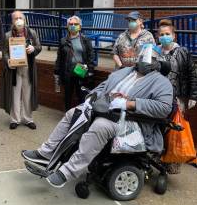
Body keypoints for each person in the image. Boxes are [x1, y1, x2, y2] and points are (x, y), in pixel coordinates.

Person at [22, 44, 173, 188]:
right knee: (72, 113)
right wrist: (92, 98)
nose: (144, 61)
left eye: (149, 59)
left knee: (100, 126)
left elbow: (164, 108)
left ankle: (67, 171)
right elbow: (102, 87)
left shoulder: (161, 82)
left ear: (157, 62)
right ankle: (46, 153)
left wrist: (129, 104)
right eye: (141, 57)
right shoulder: (125, 71)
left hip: (130, 121)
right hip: (105, 109)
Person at [158, 19, 197, 173]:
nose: (164, 36)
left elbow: (192, 75)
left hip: (177, 98)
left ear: (174, 36)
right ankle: (158, 157)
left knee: (174, 130)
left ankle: (172, 163)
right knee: (158, 127)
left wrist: (193, 96)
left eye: (167, 34)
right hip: (159, 98)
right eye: (161, 34)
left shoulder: (183, 52)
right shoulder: (155, 51)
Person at [0, 11, 42, 130]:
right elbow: (4, 52)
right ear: (12, 21)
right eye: (15, 18)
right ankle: (15, 119)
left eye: (20, 18)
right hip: (14, 70)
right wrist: (8, 61)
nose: (18, 20)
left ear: (24, 20)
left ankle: (28, 119)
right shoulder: (7, 35)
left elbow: (39, 47)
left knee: (27, 94)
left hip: (28, 68)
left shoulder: (32, 33)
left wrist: (34, 49)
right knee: (15, 94)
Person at [54, 16, 95, 111]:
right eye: (71, 24)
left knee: (81, 96)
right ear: (68, 26)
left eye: (75, 24)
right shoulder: (63, 41)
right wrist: (56, 72)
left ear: (80, 27)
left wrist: (90, 70)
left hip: (81, 72)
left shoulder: (85, 40)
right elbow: (59, 58)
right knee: (67, 96)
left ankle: (81, 116)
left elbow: (91, 56)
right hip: (67, 73)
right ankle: (67, 114)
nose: (73, 26)